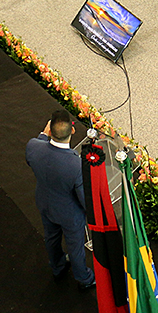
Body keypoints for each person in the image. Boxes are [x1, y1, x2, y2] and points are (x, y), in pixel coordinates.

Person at [26, 110, 93, 290]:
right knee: (75, 246)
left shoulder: (33, 146)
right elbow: (83, 198)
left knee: (52, 238)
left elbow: (32, 155)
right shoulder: (75, 165)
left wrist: (43, 134)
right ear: (72, 131)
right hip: (69, 214)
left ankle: (57, 266)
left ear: (50, 130)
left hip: (45, 204)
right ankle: (84, 279)